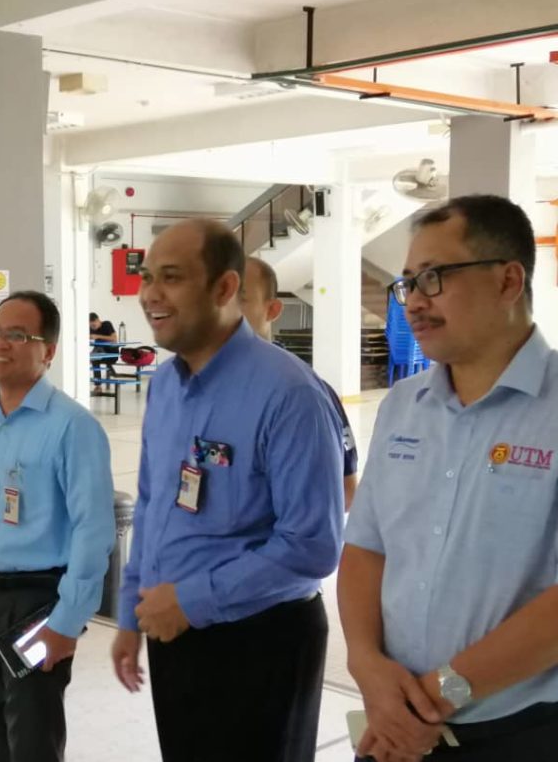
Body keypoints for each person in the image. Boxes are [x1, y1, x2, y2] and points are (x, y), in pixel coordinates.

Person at [110, 219, 344, 762]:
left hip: (259, 640)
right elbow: (151, 506)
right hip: (174, 629)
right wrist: (130, 612)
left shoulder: (289, 394)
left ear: (224, 287)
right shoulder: (165, 385)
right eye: (147, 277)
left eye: (171, 277)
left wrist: (191, 601)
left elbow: (312, 545)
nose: (150, 294)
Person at [339, 195, 558, 761]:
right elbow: (365, 546)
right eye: (408, 282)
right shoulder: (403, 406)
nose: (414, 301)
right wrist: (365, 664)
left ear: (508, 281)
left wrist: (436, 698)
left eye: (434, 278)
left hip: (523, 731)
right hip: (392, 718)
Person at [0, 291, 115, 762]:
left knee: (33, 737)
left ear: (48, 351)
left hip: (36, 605)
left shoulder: (73, 427)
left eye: (17, 335)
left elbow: (93, 532)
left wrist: (67, 621)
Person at [241, 256, 360, 509]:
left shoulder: (303, 394)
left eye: (239, 298)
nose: (221, 309)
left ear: (272, 310)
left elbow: (346, 492)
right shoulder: (186, 386)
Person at [89, 312, 118, 395]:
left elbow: (114, 339)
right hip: (99, 353)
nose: (93, 328)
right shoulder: (90, 328)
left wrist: (97, 336)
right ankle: (98, 386)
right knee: (94, 359)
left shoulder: (107, 324)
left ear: (98, 320)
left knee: (94, 356)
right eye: (91, 326)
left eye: (94, 325)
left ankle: (93, 356)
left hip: (111, 353)